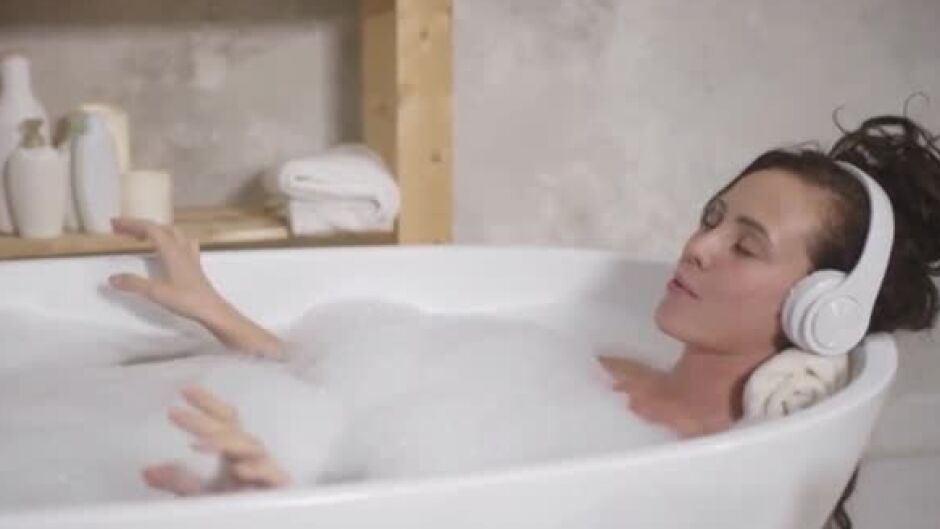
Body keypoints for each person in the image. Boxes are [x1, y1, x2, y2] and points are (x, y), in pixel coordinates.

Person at [109, 116, 940, 515]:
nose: (697, 246)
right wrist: (218, 312)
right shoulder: (594, 374)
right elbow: (369, 386)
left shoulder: (723, 476)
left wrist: (283, 503)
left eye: (746, 245)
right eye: (712, 217)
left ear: (822, 312)